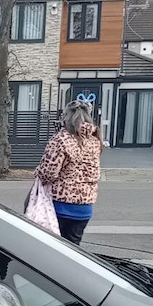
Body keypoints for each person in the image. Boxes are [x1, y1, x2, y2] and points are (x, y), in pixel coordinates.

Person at [34, 100, 103, 245]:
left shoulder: (61, 139)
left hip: (61, 206)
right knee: (73, 248)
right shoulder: (95, 141)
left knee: (54, 248)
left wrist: (38, 171)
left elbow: (48, 173)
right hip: (85, 207)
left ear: (66, 117)